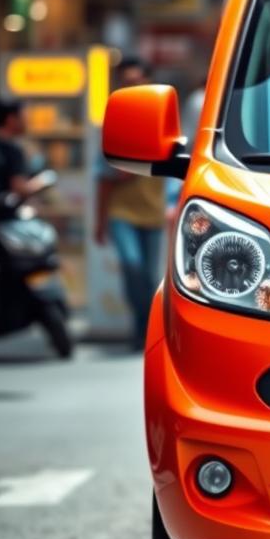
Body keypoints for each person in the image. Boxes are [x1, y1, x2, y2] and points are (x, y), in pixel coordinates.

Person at [95, 56, 167, 350]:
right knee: (132, 266)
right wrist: (99, 222)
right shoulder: (114, 122)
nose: (133, 87)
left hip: (154, 212)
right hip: (121, 212)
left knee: (150, 277)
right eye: (126, 83)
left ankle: (145, 331)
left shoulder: (162, 121)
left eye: (138, 82)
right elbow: (102, 178)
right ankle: (141, 326)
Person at [0, 97, 44, 199]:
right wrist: (41, 183)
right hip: (4, 212)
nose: (27, 121)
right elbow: (19, 188)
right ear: (11, 119)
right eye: (23, 117)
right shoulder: (11, 150)